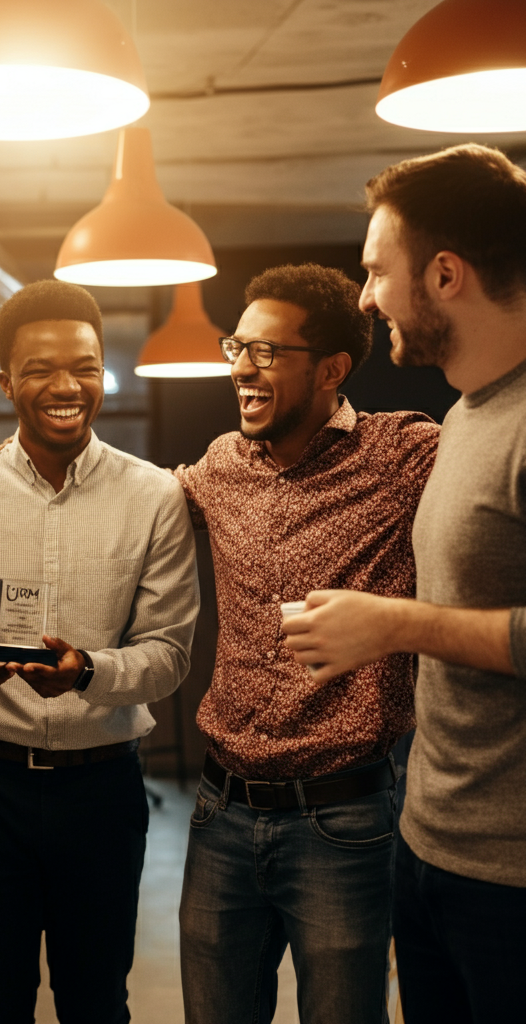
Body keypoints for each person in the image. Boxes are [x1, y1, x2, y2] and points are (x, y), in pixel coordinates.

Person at [0, 279, 199, 1024]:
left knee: (97, 1001)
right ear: (6, 380)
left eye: (86, 367)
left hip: (102, 793)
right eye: (39, 369)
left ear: (105, 373)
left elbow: (168, 654)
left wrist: (89, 672)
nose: (67, 386)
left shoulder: (154, 494)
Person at [283, 145, 526, 1022]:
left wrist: (393, 625)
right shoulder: (466, 414)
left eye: (377, 270)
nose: (365, 295)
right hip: (430, 848)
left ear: (447, 274)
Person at [175, 263, 440, 1024]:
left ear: (332, 369)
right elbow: (128, 509)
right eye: (238, 346)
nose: (240, 367)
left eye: (266, 352)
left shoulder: (402, 456)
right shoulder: (222, 463)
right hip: (218, 813)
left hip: (344, 819)